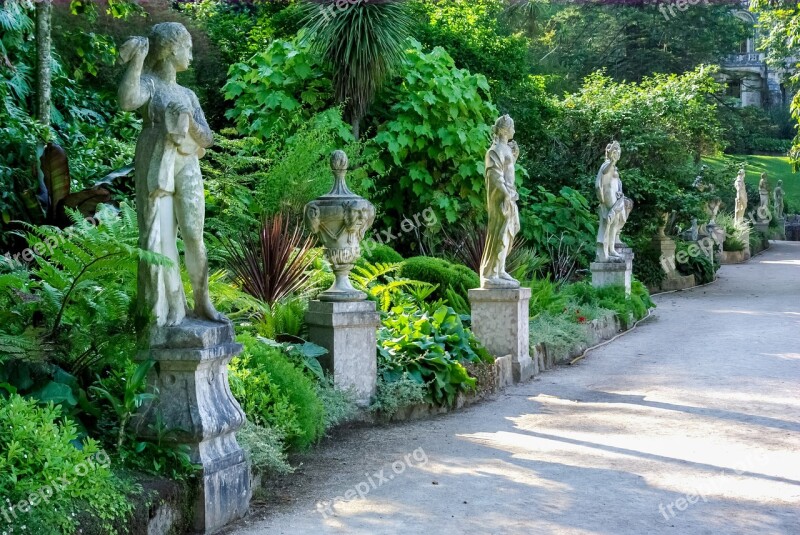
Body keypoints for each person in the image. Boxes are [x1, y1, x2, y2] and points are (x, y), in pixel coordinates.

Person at [119, 22, 223, 327]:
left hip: (187, 161)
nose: (190, 54)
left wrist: (188, 122)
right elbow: (126, 101)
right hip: (154, 158)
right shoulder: (150, 84)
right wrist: (137, 60)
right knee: (160, 237)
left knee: (193, 235)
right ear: (170, 50)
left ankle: (203, 301)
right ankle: (172, 307)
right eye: (187, 47)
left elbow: (207, 138)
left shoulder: (188, 94)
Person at [479, 115, 521, 288]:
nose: (514, 131)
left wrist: (514, 157)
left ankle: (500, 268)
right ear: (504, 130)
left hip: (510, 196)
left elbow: (507, 171)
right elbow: (495, 175)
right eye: (512, 128)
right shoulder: (494, 150)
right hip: (501, 199)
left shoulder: (506, 149)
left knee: (511, 230)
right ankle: (492, 273)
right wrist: (505, 194)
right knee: (500, 232)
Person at [595, 141, 631, 262]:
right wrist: (612, 161)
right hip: (609, 198)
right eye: (616, 152)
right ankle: (605, 253)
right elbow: (604, 173)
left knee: (615, 223)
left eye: (619, 152)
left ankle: (611, 249)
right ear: (612, 153)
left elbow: (617, 182)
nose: (618, 154)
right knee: (609, 223)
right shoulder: (607, 164)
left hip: (616, 198)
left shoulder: (614, 167)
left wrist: (620, 191)